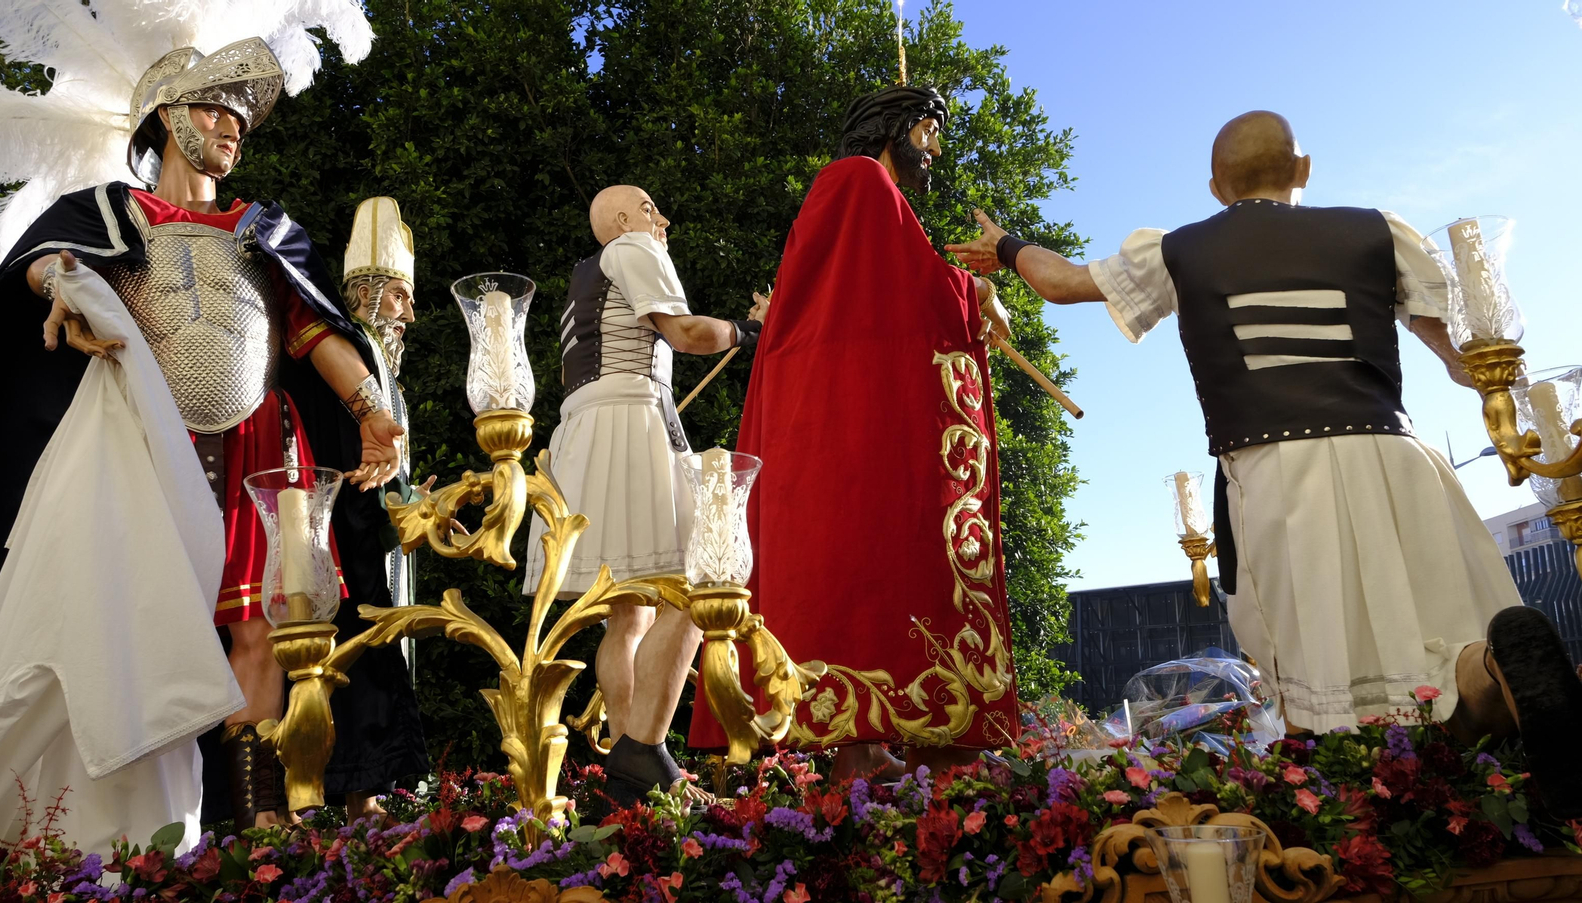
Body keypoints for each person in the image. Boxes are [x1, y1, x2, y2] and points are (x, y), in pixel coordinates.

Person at [947, 110, 1582, 816]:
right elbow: (1466, 361)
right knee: (1444, 643)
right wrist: (1504, 382)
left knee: (1322, 679)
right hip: (1402, 460)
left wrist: (1005, 246)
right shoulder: (1382, 232)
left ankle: (1354, 828)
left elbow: (1060, 282)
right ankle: (1495, 665)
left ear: (1216, 186)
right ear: (1303, 170)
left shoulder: (1177, 250)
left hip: (1277, 476)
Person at [0, 32, 401, 838]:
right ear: (168, 118)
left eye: (242, 114)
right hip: (140, 446)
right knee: (139, 625)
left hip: (261, 443)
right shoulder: (110, 212)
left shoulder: (265, 230)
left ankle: (258, 829)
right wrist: (62, 289)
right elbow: (41, 262)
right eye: (217, 107)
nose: (234, 124)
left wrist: (365, 407)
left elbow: (311, 327)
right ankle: (140, 828)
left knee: (268, 630)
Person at [688, 86, 1020, 783]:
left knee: (873, 570)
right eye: (927, 132)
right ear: (893, 129)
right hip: (841, 411)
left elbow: (886, 290)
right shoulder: (860, 179)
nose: (934, 151)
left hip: (829, 404)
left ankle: (865, 746)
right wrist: (979, 293)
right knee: (880, 563)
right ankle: (873, 749)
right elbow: (903, 289)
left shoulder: (858, 193)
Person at [524, 184, 766, 805]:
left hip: (583, 437)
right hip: (631, 425)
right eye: (654, 208)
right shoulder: (634, 247)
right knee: (700, 587)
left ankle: (632, 767)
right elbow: (684, 332)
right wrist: (747, 331)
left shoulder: (584, 278)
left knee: (627, 611)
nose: (664, 220)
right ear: (627, 218)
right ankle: (643, 747)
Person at [325, 197, 432, 822]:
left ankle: (382, 790)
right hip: (355, 530)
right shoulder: (352, 351)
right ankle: (363, 797)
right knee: (365, 651)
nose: (409, 313)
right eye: (399, 296)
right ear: (364, 293)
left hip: (388, 535)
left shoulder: (384, 363)